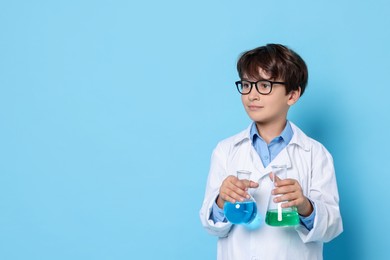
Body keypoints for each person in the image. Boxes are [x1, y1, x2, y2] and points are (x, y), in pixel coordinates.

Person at [199, 43, 343, 260]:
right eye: (246, 85)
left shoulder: (315, 154)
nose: (252, 95)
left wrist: (305, 206)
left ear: (292, 95)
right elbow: (211, 225)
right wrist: (221, 200)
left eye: (264, 85)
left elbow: (331, 227)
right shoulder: (226, 150)